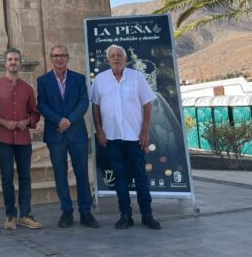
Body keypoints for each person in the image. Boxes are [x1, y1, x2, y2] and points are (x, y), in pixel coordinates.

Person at [91, 44, 161, 230]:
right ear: (108, 60)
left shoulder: (137, 77)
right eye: (112, 56)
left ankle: (147, 215)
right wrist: (99, 128)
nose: (116, 58)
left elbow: (147, 104)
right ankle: (125, 215)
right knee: (120, 178)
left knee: (140, 177)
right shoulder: (100, 80)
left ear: (125, 59)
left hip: (134, 138)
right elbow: (96, 106)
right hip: (112, 138)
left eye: (119, 55)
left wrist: (145, 130)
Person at [37, 44, 99, 228]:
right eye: (55, 56)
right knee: (60, 174)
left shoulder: (79, 79)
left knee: (81, 173)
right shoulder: (43, 80)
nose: (59, 59)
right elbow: (42, 104)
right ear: (51, 58)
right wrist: (59, 121)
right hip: (55, 134)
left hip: (76, 133)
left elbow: (83, 102)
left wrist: (69, 120)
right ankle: (66, 211)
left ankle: (86, 211)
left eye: (62, 55)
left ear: (68, 57)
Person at [0, 48, 43, 230]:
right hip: (4, 138)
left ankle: (25, 215)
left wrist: (27, 121)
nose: (13, 62)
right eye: (10, 59)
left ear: (20, 63)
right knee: (7, 177)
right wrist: (2, 122)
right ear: (5, 63)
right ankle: (10, 215)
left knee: (25, 176)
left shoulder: (28, 88)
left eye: (16, 59)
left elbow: (35, 113)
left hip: (24, 139)